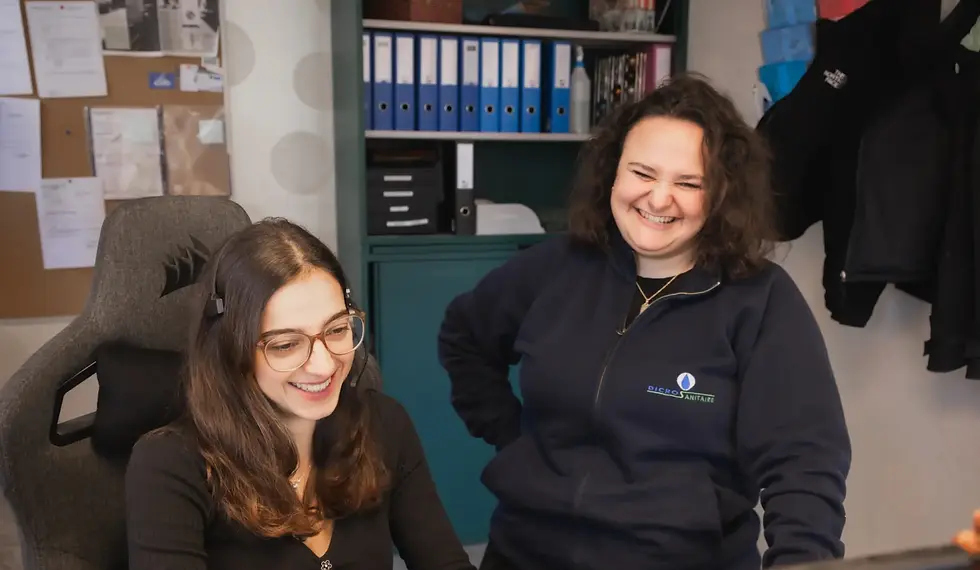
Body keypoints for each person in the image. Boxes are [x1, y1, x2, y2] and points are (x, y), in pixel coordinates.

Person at [437, 73, 852, 570]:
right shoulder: (555, 267)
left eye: (688, 183)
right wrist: (516, 438)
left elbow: (804, 460)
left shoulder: (762, 302)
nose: (658, 199)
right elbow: (464, 335)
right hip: (524, 552)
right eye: (643, 173)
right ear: (613, 172)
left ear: (722, 194)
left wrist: (802, 561)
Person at [126, 218, 475, 570]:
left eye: (337, 329)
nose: (324, 366)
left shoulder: (384, 425)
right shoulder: (170, 464)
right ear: (232, 351)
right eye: (287, 345)